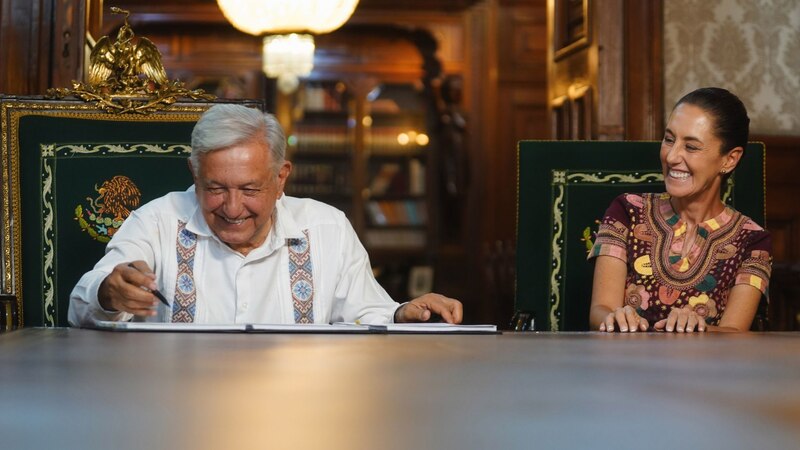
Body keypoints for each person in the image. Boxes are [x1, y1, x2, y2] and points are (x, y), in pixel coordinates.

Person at [69, 104, 462, 326]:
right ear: (195, 174)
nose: (233, 208)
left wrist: (403, 312)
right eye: (216, 189)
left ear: (281, 178)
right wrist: (108, 292)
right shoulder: (155, 221)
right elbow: (80, 307)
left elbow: (364, 313)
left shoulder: (328, 228)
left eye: (251, 189)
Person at [588, 87, 771, 333]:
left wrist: (699, 328)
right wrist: (614, 317)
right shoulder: (626, 211)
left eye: (692, 147)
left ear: (730, 159)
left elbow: (734, 333)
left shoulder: (753, 240)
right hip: (624, 367)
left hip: (707, 371)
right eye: (669, 139)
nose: (672, 157)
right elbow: (600, 309)